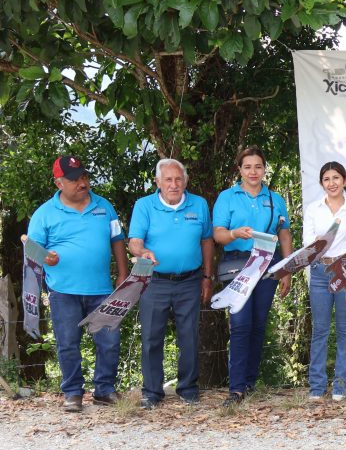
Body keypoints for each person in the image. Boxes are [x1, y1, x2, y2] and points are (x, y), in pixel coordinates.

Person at [27, 156, 129, 412]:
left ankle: (104, 390)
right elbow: (33, 252)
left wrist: (122, 272)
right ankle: (72, 392)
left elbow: (117, 238)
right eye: (74, 179)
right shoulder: (44, 213)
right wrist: (46, 259)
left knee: (109, 341)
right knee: (68, 342)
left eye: (84, 176)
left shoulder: (104, 206)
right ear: (59, 183)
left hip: (103, 289)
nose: (82, 182)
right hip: (63, 290)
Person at [128, 159, 214, 409]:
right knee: (151, 337)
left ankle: (188, 389)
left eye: (178, 179)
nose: (174, 185)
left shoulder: (199, 204)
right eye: (168, 180)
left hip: (190, 280)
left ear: (185, 181)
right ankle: (152, 392)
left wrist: (208, 277)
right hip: (155, 281)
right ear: (158, 182)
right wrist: (142, 251)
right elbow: (134, 241)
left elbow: (207, 240)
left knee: (189, 337)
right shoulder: (144, 206)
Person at [212, 146, 293, 406]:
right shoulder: (227, 197)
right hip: (238, 266)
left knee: (258, 326)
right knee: (240, 324)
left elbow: (285, 234)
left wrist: (287, 270)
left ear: (264, 168)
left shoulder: (275, 198)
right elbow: (218, 234)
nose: (253, 171)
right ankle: (235, 390)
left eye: (258, 166)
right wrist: (235, 233)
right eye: (247, 167)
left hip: (268, 265)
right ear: (239, 170)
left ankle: (249, 382)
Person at [304, 162, 346, 401]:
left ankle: (340, 385)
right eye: (327, 179)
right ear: (321, 184)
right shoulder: (313, 209)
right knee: (320, 330)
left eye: (336, 178)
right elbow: (307, 243)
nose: (332, 183)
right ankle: (317, 387)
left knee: (344, 329)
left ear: (345, 181)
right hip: (320, 272)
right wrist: (318, 241)